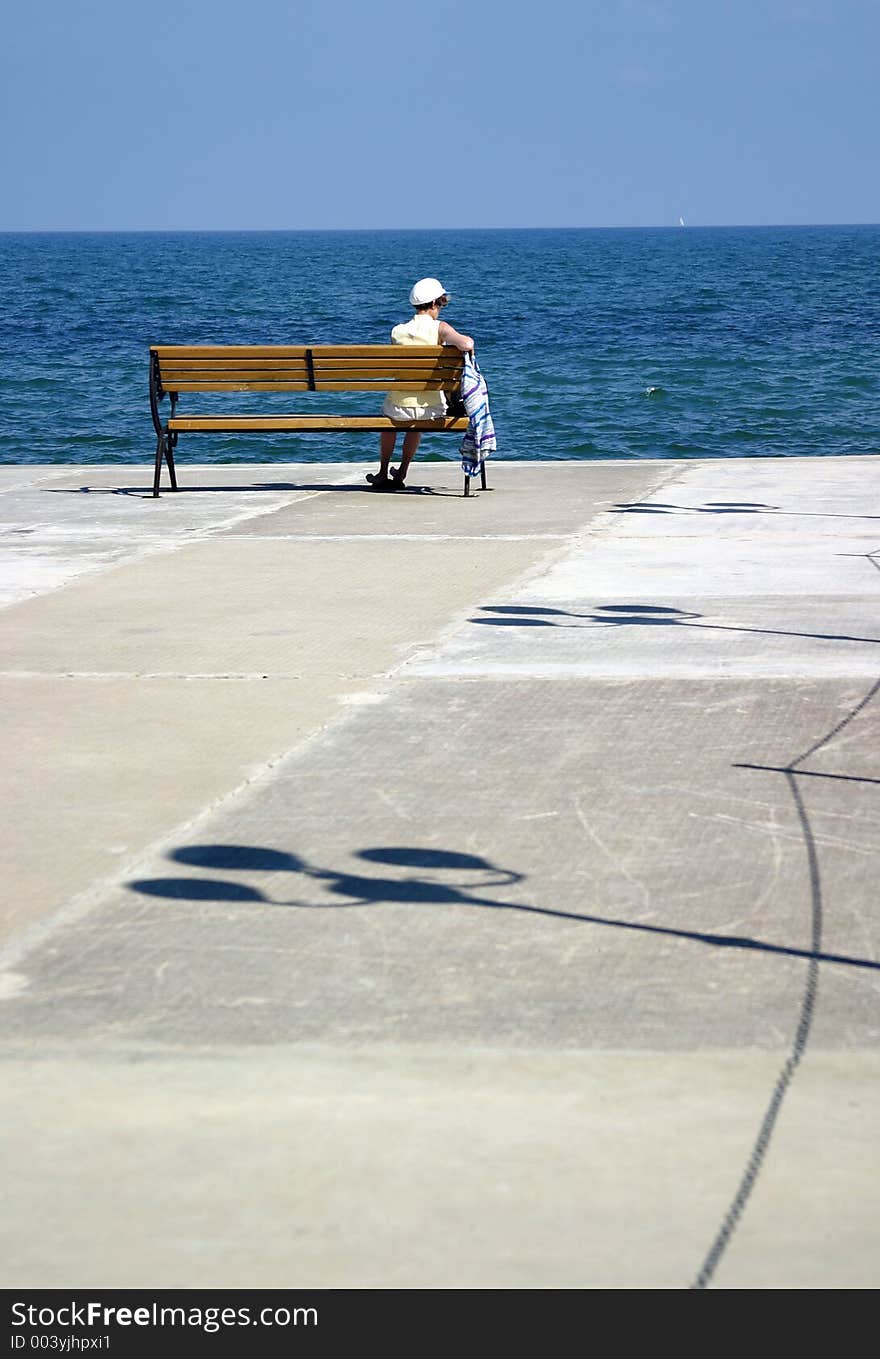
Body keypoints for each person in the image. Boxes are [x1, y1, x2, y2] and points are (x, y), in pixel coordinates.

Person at [367, 277, 474, 490]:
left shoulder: (397, 331)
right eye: (441, 304)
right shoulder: (439, 328)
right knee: (416, 424)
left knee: (388, 420)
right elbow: (466, 343)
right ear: (435, 303)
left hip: (398, 406)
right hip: (431, 408)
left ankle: (382, 472)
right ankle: (402, 472)